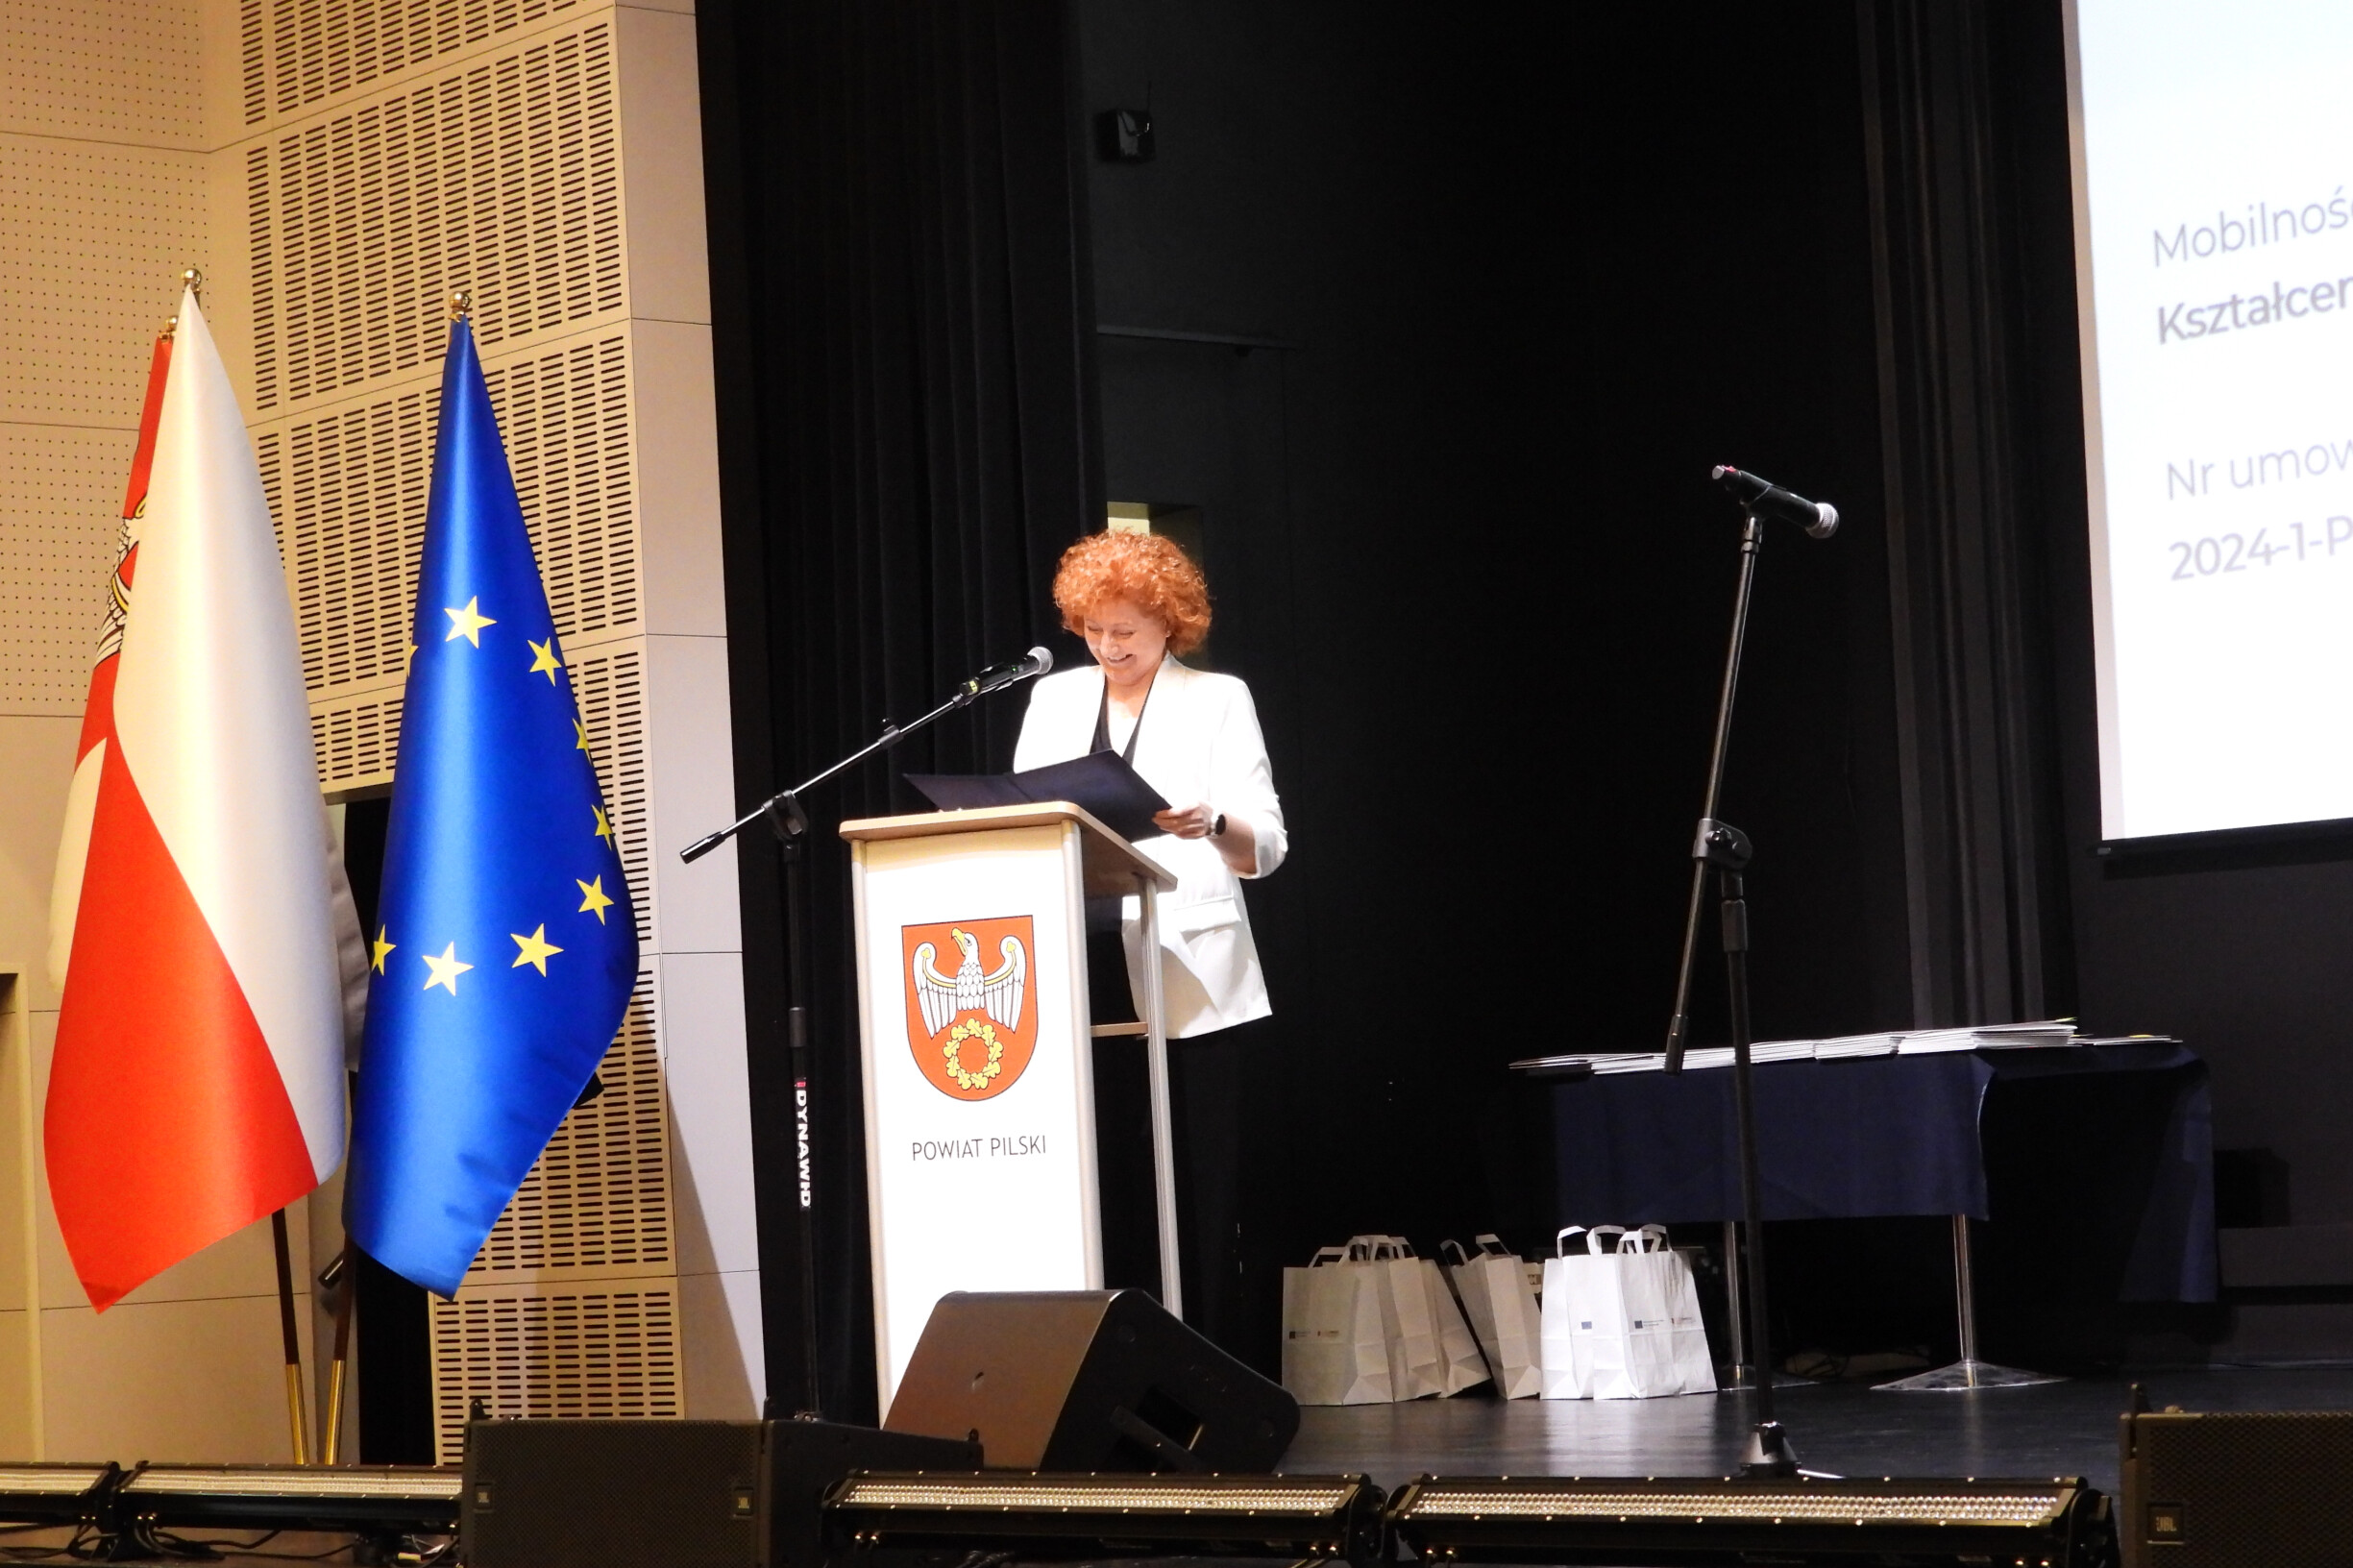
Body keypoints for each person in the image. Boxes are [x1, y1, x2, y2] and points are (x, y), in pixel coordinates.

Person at [1013, 528, 1287, 1347]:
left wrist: (1213, 822)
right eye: (1094, 629)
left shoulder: (1218, 698)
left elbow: (1267, 845)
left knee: (1199, 1191)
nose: (1109, 646)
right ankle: (1109, 1358)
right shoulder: (1053, 700)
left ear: (1171, 622)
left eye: (1127, 630)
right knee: (1107, 1181)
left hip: (1188, 970)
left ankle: (1211, 1364)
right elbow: (1025, 820)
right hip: (1081, 961)